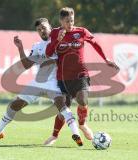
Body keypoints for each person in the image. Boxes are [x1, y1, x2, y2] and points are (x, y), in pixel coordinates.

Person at [0, 18, 83, 146]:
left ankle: (76, 135)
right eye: (39, 29)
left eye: (44, 27)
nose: (42, 31)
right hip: (38, 82)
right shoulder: (37, 46)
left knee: (62, 106)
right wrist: (20, 48)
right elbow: (26, 65)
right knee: (14, 106)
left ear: (50, 27)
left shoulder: (61, 42)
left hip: (54, 82)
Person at [44, 7, 119, 145]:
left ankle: (82, 124)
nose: (70, 24)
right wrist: (56, 41)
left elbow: (95, 43)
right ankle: (54, 136)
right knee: (63, 110)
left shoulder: (81, 31)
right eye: (67, 21)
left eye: (72, 20)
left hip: (81, 75)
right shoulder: (55, 33)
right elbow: (48, 53)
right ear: (61, 21)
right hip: (63, 78)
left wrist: (105, 58)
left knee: (83, 100)